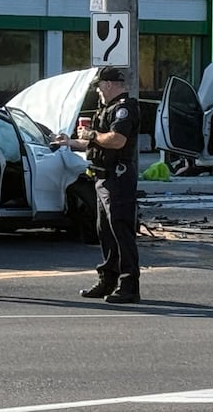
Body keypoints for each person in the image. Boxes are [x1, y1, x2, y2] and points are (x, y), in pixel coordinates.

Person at [51, 66, 142, 304]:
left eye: (100, 86)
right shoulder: (106, 109)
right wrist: (69, 142)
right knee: (105, 232)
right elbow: (95, 144)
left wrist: (91, 135)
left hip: (118, 177)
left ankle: (129, 286)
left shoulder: (124, 109)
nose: (98, 91)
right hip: (102, 176)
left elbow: (117, 141)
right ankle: (107, 281)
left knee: (121, 231)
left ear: (109, 85)